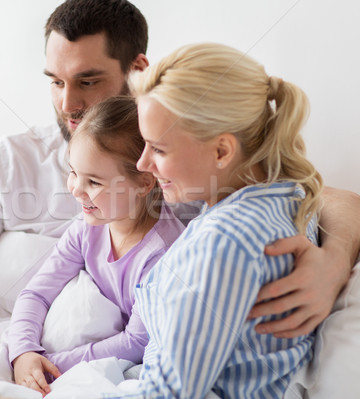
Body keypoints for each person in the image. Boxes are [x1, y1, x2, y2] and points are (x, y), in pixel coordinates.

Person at [0, 0, 360, 379]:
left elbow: (326, 197)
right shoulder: (9, 161)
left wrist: (332, 263)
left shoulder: (176, 164)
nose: (67, 105)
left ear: (136, 69)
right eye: (55, 81)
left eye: (87, 80)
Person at [117, 42, 326, 398]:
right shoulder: (288, 194)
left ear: (221, 151)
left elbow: (168, 395)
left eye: (159, 149)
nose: (142, 163)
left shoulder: (225, 241)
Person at [7, 96, 184, 395]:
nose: (76, 189)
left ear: (144, 182)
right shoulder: (86, 229)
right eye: (74, 173)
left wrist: (50, 363)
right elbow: (37, 292)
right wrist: (23, 352)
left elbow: (136, 341)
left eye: (94, 182)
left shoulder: (163, 253)